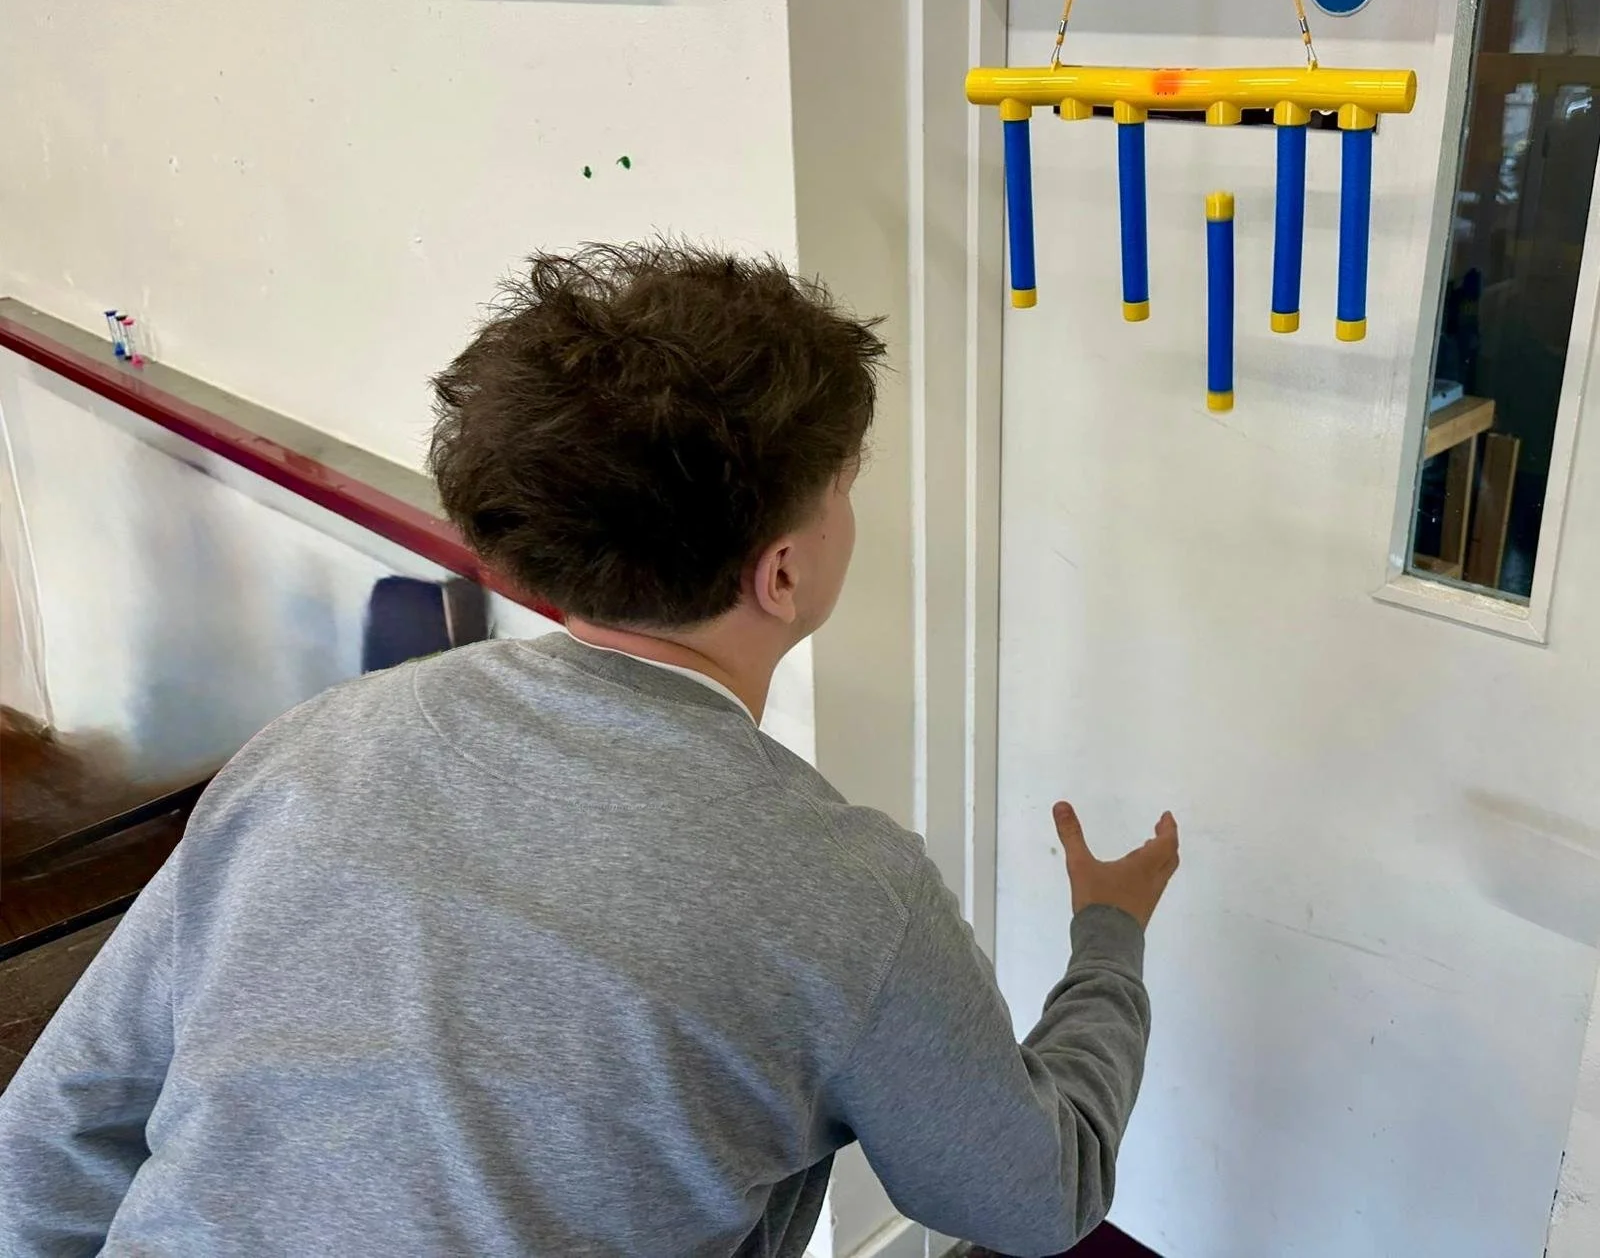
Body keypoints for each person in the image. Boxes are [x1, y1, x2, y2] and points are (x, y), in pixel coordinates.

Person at [0, 243, 1178, 1258]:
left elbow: (58, 1125)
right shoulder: (847, 893)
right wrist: (1107, 940)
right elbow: (1033, 1195)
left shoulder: (317, 743)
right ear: (783, 571)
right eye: (843, 490)